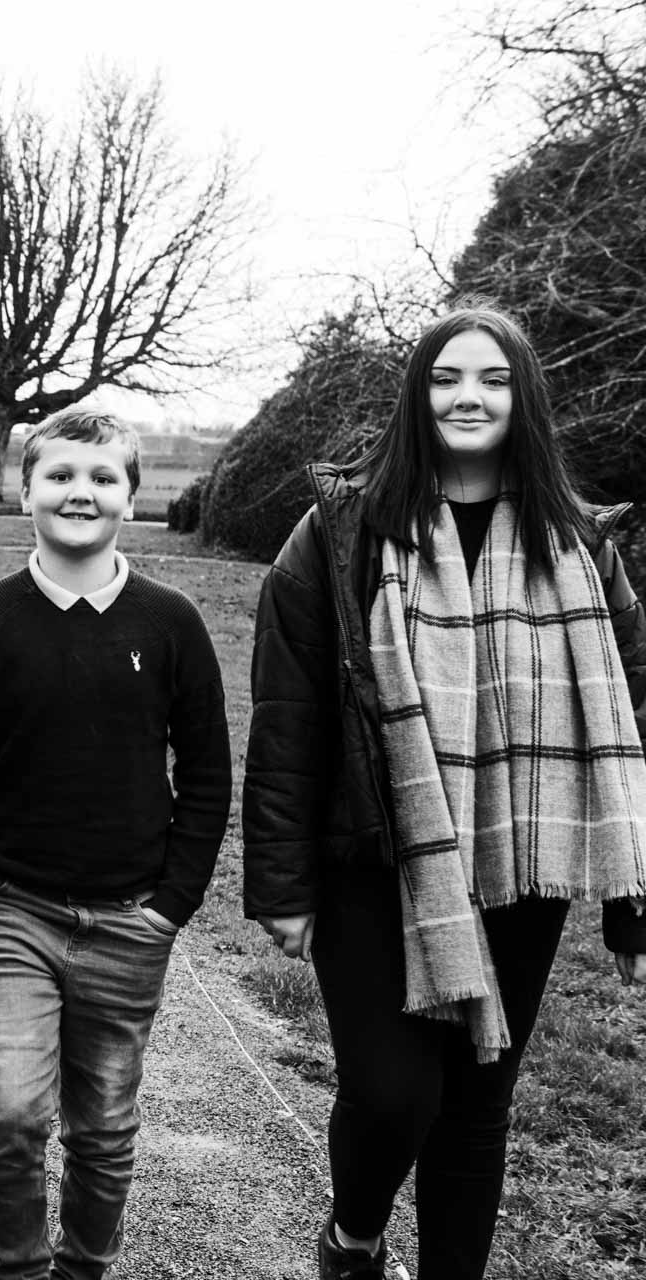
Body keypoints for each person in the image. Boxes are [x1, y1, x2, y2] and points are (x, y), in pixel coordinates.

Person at [243, 300, 646, 1280]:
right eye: (447, 377)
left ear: (525, 398)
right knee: (393, 1093)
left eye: (494, 378)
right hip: (373, 855)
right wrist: (281, 885)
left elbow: (629, 718)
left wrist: (632, 903)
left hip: (523, 859)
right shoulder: (342, 532)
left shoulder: (581, 543)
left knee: (476, 1105)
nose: (470, 396)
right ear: (417, 397)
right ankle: (355, 1236)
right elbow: (288, 717)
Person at [0, 407, 231, 1279]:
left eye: (104, 478)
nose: (81, 492)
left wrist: (171, 906)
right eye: (60, 475)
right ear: (25, 490)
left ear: (132, 501)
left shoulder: (170, 622)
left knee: (102, 1124)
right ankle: (17, 1267)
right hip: (10, 903)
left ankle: (84, 1267)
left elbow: (208, 776)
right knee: (10, 1111)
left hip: (129, 916)